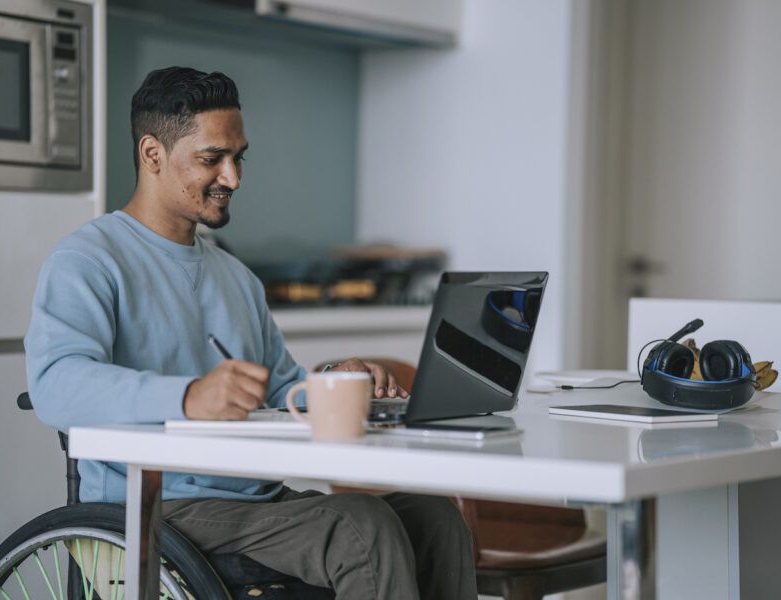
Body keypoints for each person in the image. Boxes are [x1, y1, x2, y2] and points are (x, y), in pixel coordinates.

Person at [25, 66, 477, 599]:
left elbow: (281, 389)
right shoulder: (88, 259)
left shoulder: (233, 276)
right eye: (212, 159)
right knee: (360, 528)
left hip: (251, 501)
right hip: (153, 508)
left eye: (238, 157)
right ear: (152, 155)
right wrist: (190, 396)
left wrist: (336, 381)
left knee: (434, 518)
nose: (233, 177)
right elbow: (55, 385)